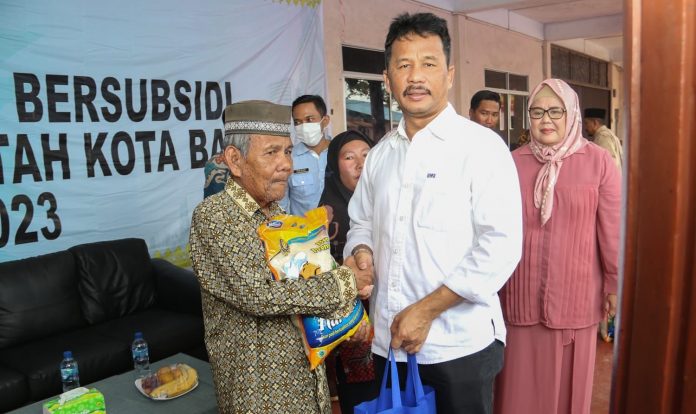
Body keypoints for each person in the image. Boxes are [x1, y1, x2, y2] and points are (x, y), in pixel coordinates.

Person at [344, 12, 523, 414]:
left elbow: (500, 246)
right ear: (387, 78)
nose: (415, 77)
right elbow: (361, 222)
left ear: (449, 74)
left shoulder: (481, 148)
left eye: (428, 63)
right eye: (403, 65)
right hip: (390, 343)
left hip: (458, 346)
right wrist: (361, 253)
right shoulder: (380, 156)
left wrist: (426, 311)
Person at [189, 100, 371, 414]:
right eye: (272, 152)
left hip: (305, 378)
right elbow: (258, 295)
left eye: (287, 151)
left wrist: (348, 317)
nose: (286, 164)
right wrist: (345, 281)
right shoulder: (215, 216)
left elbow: (304, 283)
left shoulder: (277, 214)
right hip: (260, 390)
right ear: (235, 160)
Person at [494, 79, 621, 414]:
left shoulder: (599, 162)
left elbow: (612, 230)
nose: (546, 119)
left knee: (568, 395)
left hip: (576, 298)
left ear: (572, 114)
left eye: (555, 111)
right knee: (518, 394)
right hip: (519, 296)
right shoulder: (511, 163)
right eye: (537, 112)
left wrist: (613, 283)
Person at [318, 130, 377, 413]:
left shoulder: (391, 203)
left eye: (366, 155)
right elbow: (318, 276)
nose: (360, 164)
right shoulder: (325, 216)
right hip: (351, 323)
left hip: (394, 320)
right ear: (335, 165)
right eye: (349, 157)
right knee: (362, 400)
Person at [280, 94, 332, 216]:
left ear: (325, 121)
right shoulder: (288, 159)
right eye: (297, 122)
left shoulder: (339, 153)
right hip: (302, 228)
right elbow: (282, 206)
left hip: (340, 227)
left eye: (309, 119)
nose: (303, 126)